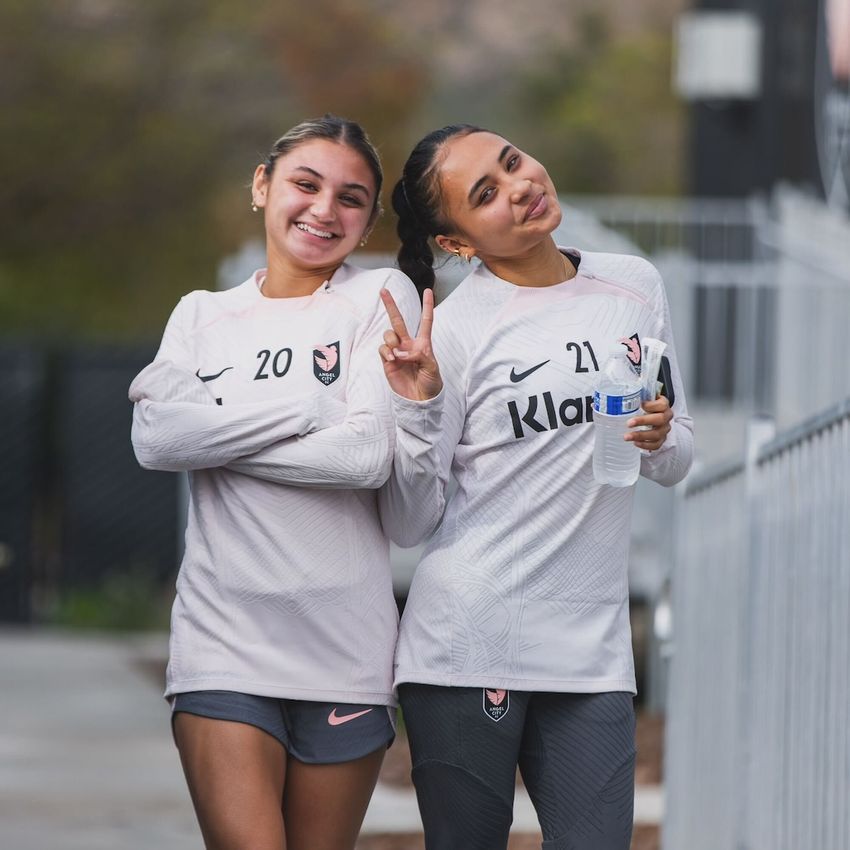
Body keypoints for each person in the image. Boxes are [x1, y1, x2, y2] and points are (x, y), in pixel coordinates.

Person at [377, 124, 694, 850]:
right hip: (468, 639)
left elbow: (677, 458)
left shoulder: (634, 284)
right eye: (486, 193)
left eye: (513, 161)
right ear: (456, 243)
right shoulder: (453, 331)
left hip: (593, 649)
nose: (520, 187)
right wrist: (419, 406)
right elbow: (408, 521)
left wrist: (658, 436)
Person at [128, 115, 420, 850]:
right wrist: (310, 410)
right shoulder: (201, 315)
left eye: (350, 198)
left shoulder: (380, 297)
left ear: (369, 220)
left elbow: (364, 458)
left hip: (346, 653)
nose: (324, 209)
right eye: (305, 184)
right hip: (223, 643)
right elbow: (156, 441)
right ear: (262, 186)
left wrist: (215, 438)